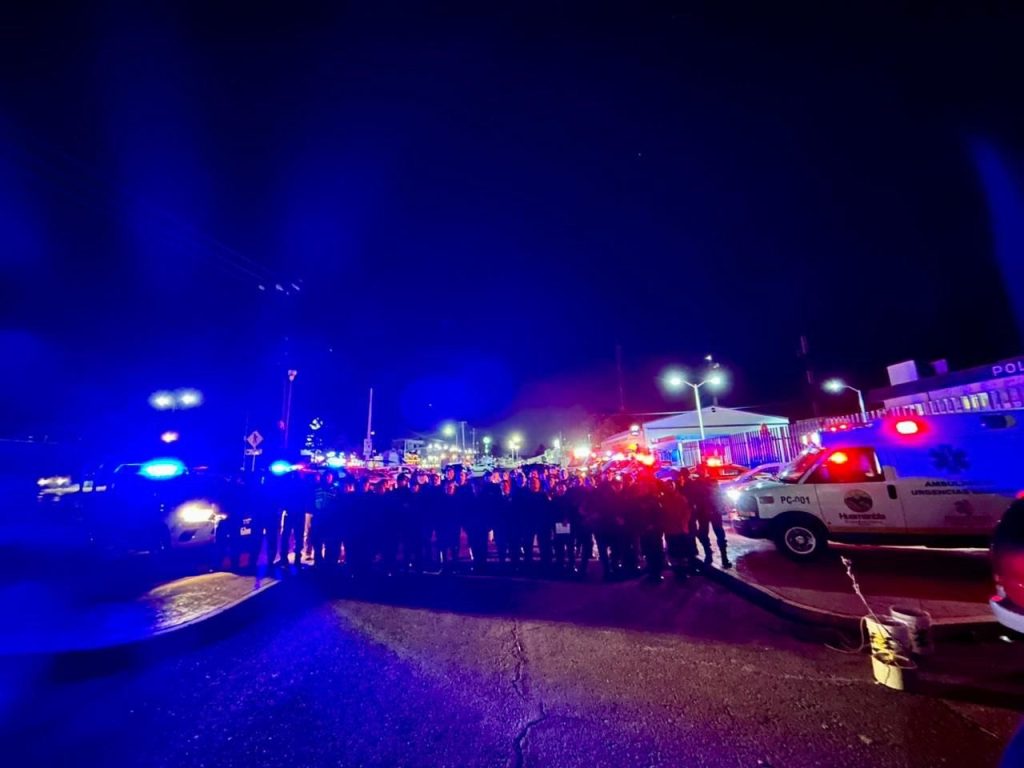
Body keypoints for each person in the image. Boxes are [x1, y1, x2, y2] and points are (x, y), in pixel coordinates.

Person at [686, 465, 732, 569]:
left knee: (718, 534)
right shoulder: (698, 483)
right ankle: (711, 555)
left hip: (711, 511)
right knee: (707, 534)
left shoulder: (709, 482)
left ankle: (721, 557)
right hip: (705, 512)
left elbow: (718, 496)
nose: (702, 472)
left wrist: (721, 506)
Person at [661, 476, 696, 579]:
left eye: (671, 485)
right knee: (674, 552)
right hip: (670, 530)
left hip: (680, 529)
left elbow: (687, 511)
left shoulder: (681, 498)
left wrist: (683, 523)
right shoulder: (663, 499)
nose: (670, 487)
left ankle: (683, 571)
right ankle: (677, 572)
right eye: (668, 486)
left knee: (683, 551)